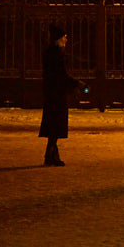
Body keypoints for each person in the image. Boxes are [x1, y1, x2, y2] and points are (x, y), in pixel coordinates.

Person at [40, 24, 83, 167]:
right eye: (64, 37)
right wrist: (76, 84)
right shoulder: (57, 54)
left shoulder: (49, 53)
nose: (66, 40)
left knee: (53, 125)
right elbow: (61, 75)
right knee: (55, 125)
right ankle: (51, 155)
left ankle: (51, 154)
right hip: (57, 94)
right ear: (58, 39)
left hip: (52, 93)